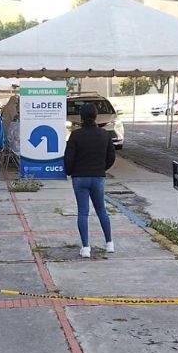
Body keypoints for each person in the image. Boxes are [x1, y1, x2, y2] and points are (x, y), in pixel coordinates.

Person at [63, 102, 116, 259]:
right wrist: (102, 168)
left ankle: (86, 247)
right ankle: (109, 243)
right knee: (101, 210)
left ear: (81, 117)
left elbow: (69, 158)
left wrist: (70, 172)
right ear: (95, 116)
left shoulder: (75, 135)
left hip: (80, 178)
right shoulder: (105, 135)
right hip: (98, 177)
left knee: (83, 212)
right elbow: (111, 157)